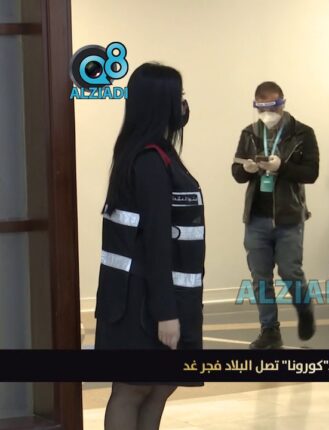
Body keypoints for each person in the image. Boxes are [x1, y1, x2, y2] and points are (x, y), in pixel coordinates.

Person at [94, 62, 204, 430]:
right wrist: (165, 313)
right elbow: (156, 242)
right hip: (140, 303)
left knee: (159, 385)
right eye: (180, 97)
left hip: (148, 296)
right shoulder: (149, 161)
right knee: (133, 387)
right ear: (162, 103)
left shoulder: (154, 154)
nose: (184, 105)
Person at [231, 81, 319, 349]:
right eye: (261, 108)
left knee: (290, 271)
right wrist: (246, 169)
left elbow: (311, 173)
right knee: (260, 277)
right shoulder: (250, 133)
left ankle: (304, 307)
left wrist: (282, 167)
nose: (266, 113)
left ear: (282, 103)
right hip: (256, 217)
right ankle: (269, 330)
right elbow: (236, 172)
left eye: (271, 107)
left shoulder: (302, 133)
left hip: (288, 216)